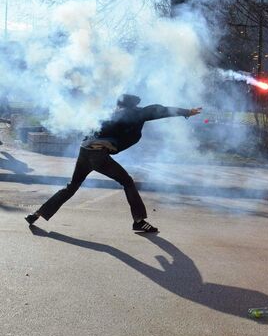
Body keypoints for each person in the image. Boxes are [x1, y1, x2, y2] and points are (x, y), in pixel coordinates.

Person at [25, 94, 201, 232]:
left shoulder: (109, 113)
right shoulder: (136, 112)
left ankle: (37, 214)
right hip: (98, 156)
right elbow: (159, 110)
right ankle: (139, 221)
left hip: (84, 151)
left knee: (71, 187)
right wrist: (186, 111)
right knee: (127, 182)